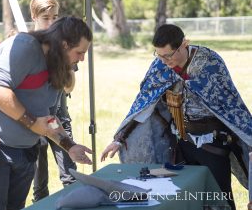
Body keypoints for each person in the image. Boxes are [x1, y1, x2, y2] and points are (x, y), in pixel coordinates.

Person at [101, 24, 252, 210]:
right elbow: (145, 102)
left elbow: (230, 104)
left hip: (213, 144)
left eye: (168, 55)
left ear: (184, 44)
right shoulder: (161, 65)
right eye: (159, 55)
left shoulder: (209, 62)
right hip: (181, 143)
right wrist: (120, 138)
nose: (164, 61)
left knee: (219, 199)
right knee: (186, 198)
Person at [0, 16, 93, 210]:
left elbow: (50, 119)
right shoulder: (25, 46)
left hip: (24, 152)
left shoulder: (57, 68)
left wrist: (69, 146)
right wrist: (32, 123)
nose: (82, 58)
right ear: (64, 45)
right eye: (80, 52)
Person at [29, 0, 78, 202]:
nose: (51, 22)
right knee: (39, 184)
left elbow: (69, 85)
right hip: (36, 121)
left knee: (71, 175)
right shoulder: (27, 46)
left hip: (60, 117)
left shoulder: (63, 46)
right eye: (46, 18)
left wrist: (62, 61)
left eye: (55, 17)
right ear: (34, 17)